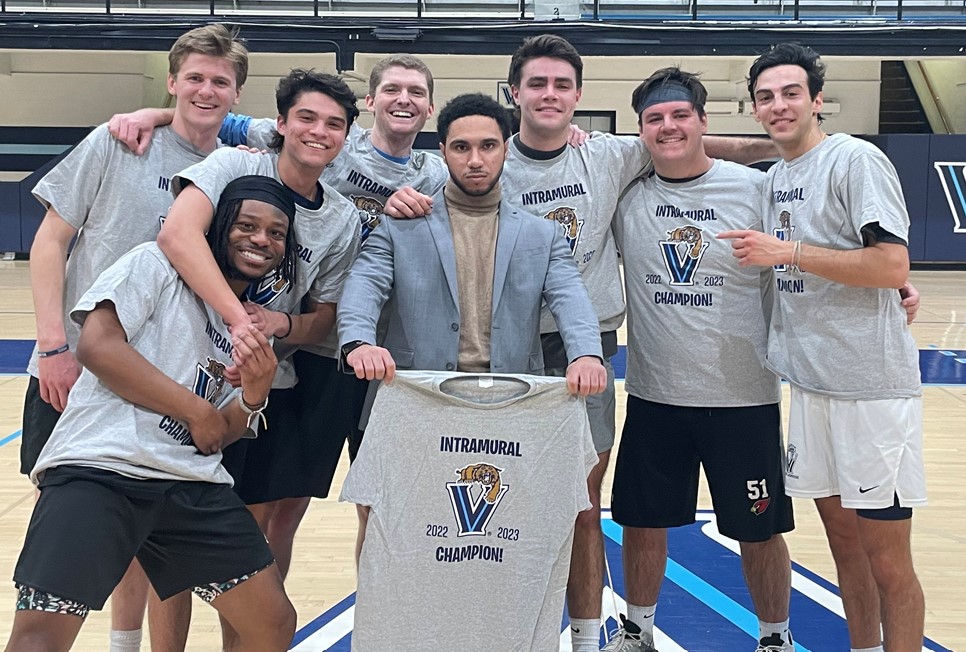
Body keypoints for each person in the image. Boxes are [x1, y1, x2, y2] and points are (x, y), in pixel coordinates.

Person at [385, 35, 776, 651]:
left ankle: (589, 635)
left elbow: (680, 139)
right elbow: (418, 196)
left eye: (561, 85)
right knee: (490, 491)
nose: (549, 95)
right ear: (514, 94)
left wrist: (787, 145)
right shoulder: (481, 154)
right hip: (500, 346)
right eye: (536, 84)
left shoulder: (610, 156)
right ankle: (487, 621)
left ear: (578, 96)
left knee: (581, 497)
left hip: (583, 347)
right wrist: (400, 196)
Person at [110, 53, 449, 566]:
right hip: (213, 353)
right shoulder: (281, 150)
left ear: (429, 108)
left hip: (328, 352)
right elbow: (209, 113)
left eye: (417, 92)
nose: (404, 99)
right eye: (394, 89)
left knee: (289, 504)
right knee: (175, 502)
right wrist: (148, 114)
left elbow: (491, 166)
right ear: (371, 101)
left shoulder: (430, 176)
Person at [21, 23, 248, 652]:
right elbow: (49, 243)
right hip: (84, 363)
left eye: (220, 82)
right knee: (79, 527)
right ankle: (117, 639)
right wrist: (53, 348)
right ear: (172, 81)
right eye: (194, 79)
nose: (206, 91)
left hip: (173, 376)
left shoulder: (234, 162)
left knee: (158, 523)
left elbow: (298, 135)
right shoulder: (117, 144)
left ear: (236, 95)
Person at [5, 175, 300, 652]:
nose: (260, 239)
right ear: (219, 225)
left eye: (276, 233)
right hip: (99, 468)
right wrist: (193, 407)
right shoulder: (154, 265)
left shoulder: (249, 325)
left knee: (271, 622)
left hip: (188, 483)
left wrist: (253, 395)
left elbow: (214, 437)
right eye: (247, 225)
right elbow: (98, 347)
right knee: (40, 637)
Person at [719, 43, 927, 652]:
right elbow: (724, 149)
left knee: (888, 561)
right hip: (811, 388)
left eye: (791, 94)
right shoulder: (779, 176)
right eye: (765, 97)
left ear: (817, 100)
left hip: (870, 390)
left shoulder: (854, 160)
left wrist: (791, 254)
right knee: (845, 552)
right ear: (754, 108)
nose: (778, 105)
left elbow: (892, 264)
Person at [151, 68, 360, 650]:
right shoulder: (233, 167)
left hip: (269, 388)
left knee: (252, 537)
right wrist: (239, 318)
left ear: (345, 137)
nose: (319, 132)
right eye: (308, 118)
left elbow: (325, 315)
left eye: (334, 124)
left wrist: (283, 323)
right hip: (185, 375)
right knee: (171, 538)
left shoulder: (340, 217)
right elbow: (176, 236)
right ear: (283, 123)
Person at [605, 67, 794, 652]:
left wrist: (893, 286)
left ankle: (774, 638)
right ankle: (638, 630)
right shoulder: (626, 194)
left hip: (743, 398)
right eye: (654, 119)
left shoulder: (754, 189)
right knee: (641, 522)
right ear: (640, 131)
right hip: (655, 395)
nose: (668, 127)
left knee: (759, 529)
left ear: (703, 122)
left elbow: (814, 244)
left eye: (680, 115)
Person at [337, 91, 607, 397]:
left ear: (506, 150)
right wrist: (359, 341)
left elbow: (571, 297)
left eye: (488, 146)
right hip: (415, 392)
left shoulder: (544, 235)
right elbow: (364, 283)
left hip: (510, 395)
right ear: (443, 152)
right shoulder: (400, 224)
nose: (475, 160)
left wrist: (586, 354)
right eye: (461, 147)